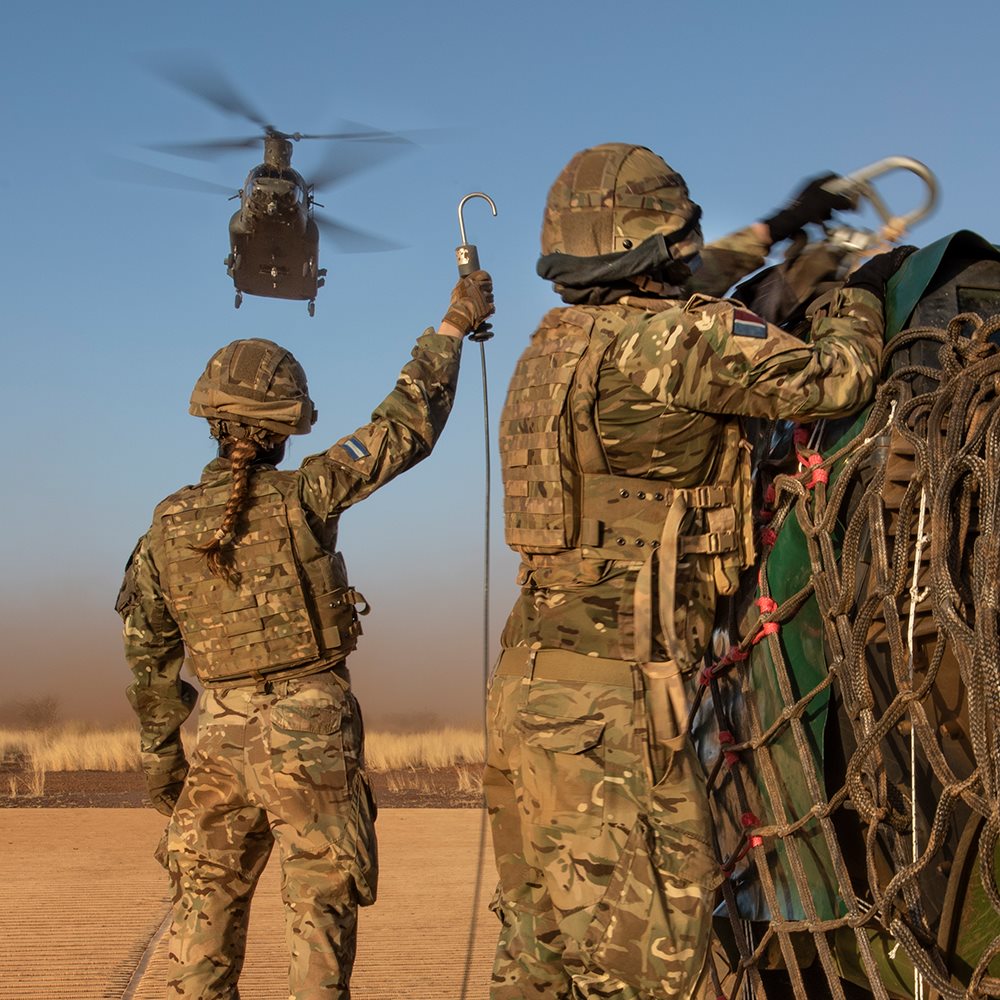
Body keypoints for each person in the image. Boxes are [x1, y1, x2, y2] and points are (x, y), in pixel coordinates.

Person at [484, 142, 910, 999]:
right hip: (616, 712)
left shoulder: (555, 344)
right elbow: (839, 377)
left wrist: (779, 229)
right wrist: (860, 290)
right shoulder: (685, 340)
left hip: (529, 689)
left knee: (541, 964)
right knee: (651, 972)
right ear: (660, 249)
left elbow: (697, 272)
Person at [115, 270, 494, 999]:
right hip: (311, 735)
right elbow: (404, 428)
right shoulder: (308, 494)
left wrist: (167, 773)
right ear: (287, 428)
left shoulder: (164, 527)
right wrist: (451, 325)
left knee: (202, 913)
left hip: (219, 742)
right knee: (319, 911)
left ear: (211, 420)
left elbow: (150, 666)